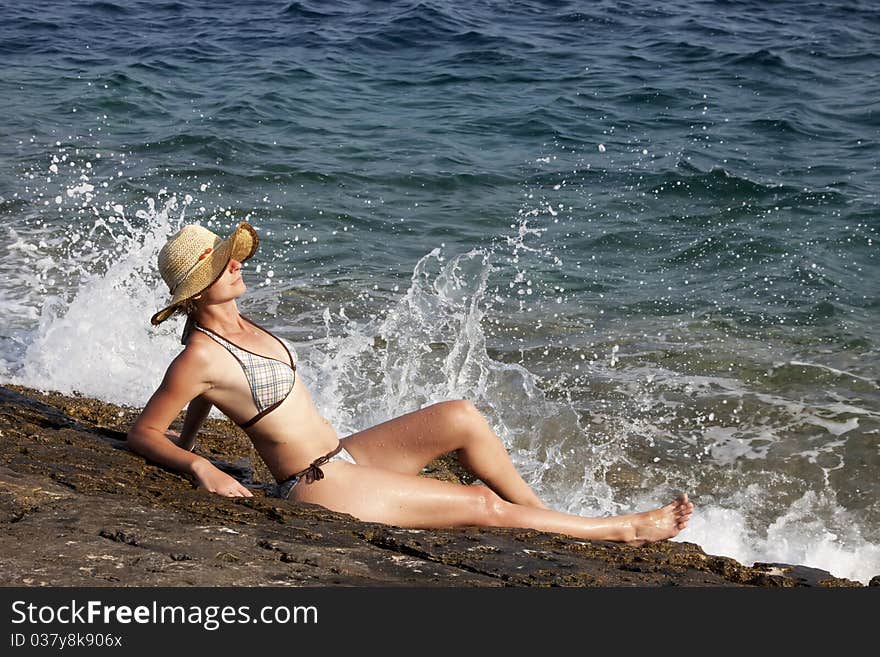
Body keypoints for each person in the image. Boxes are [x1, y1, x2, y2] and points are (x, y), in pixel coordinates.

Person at [127, 222, 694, 546]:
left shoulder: (239, 326)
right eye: (222, 266)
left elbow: (205, 405)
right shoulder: (197, 356)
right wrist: (199, 467)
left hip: (341, 457)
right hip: (314, 486)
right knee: (479, 503)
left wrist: (194, 436)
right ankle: (616, 531)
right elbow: (144, 432)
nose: (236, 266)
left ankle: (550, 523)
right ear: (197, 292)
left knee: (460, 416)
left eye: (230, 259)